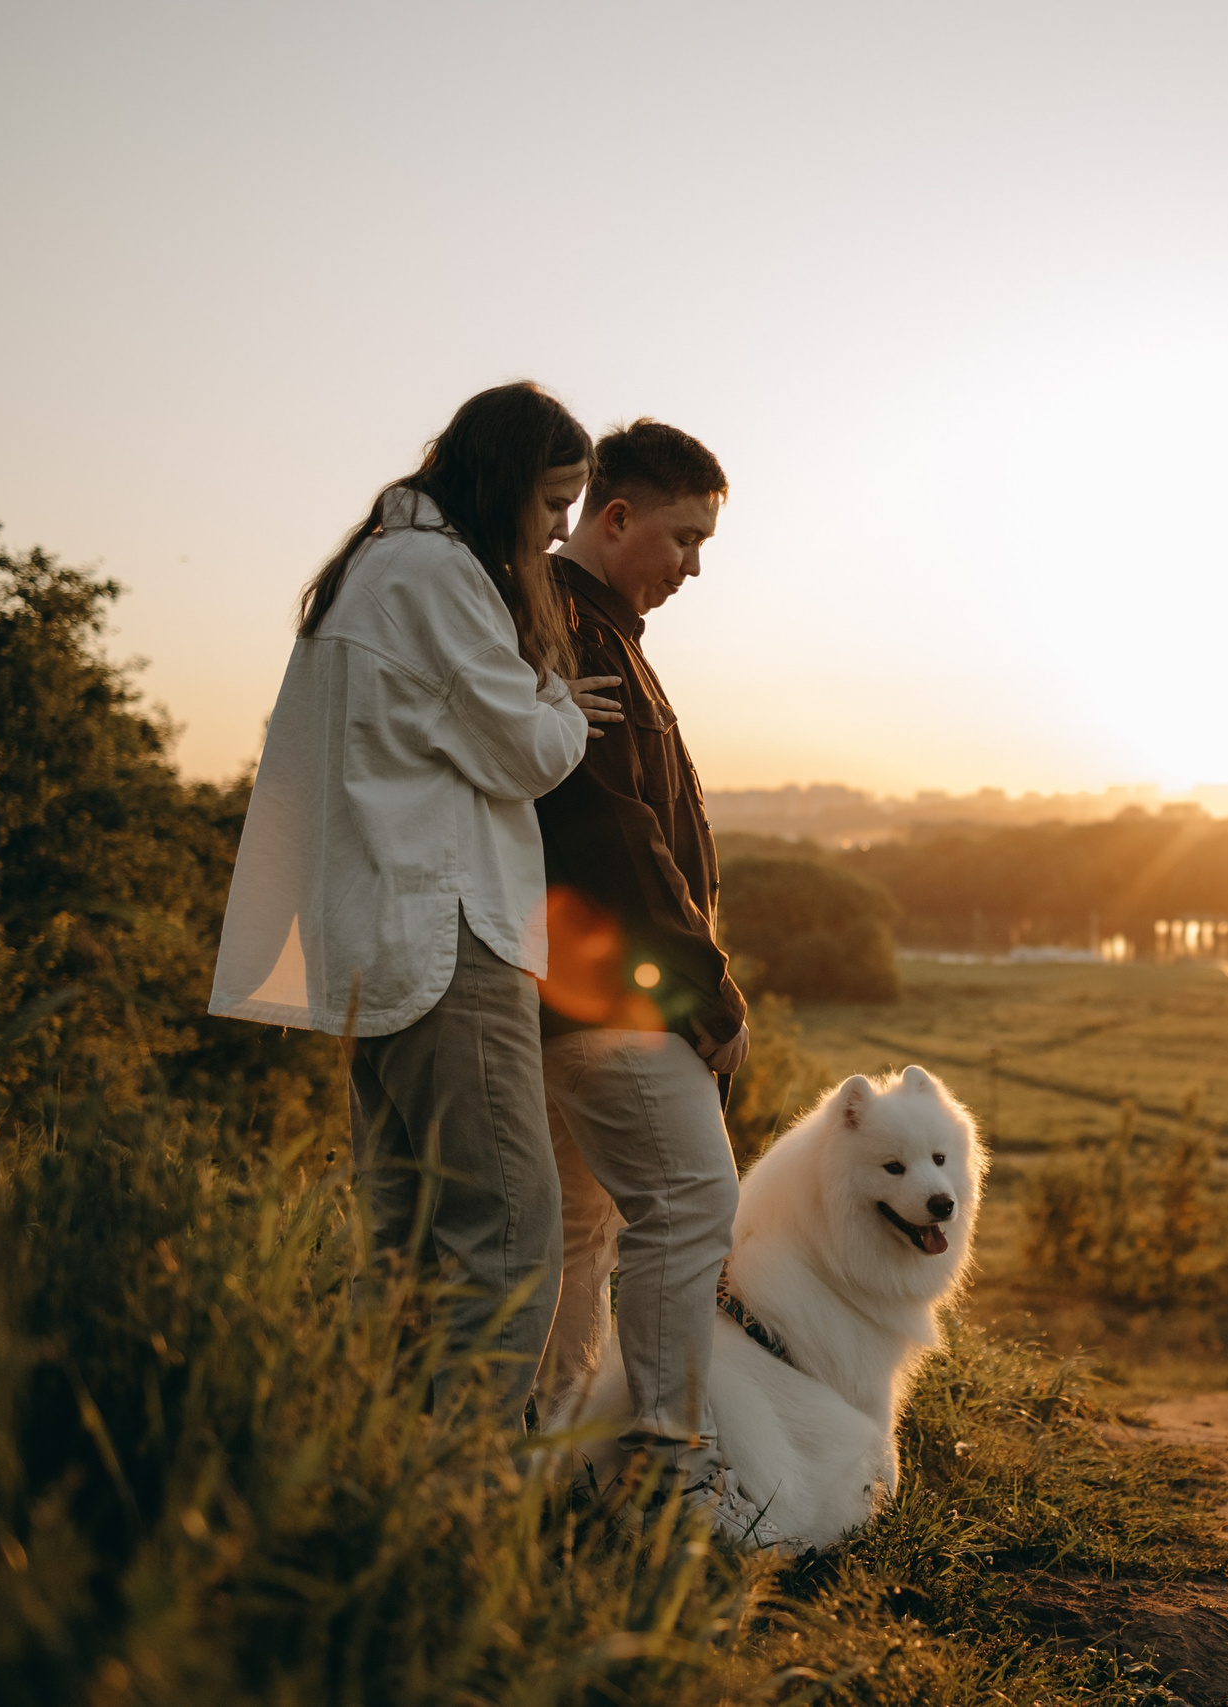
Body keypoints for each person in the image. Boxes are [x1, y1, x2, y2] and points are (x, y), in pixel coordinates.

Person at [208, 381, 624, 1426]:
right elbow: (526, 751)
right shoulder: (437, 576)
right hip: (447, 939)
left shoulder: (368, 571)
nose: (556, 534)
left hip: (371, 939)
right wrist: (560, 703)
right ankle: (461, 1493)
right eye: (550, 507)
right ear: (501, 485)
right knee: (511, 1229)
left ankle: (377, 1464)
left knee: (404, 1232)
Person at [526, 420, 766, 1541]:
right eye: (683, 538)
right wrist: (706, 994)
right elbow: (614, 840)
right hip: (609, 995)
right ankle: (661, 1469)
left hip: (567, 991)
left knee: (582, 1231)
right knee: (691, 1207)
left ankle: (555, 1460)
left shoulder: (599, 630)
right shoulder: (573, 627)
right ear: (614, 517)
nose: (694, 567)